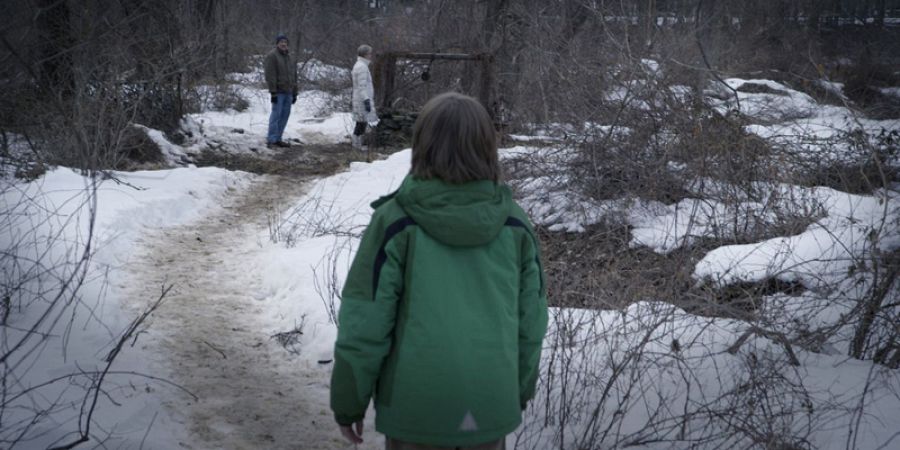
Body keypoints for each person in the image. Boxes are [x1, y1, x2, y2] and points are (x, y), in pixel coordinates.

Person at [330, 92, 549, 449]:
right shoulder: (515, 225)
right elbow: (531, 323)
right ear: (487, 146)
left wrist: (348, 401)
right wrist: (517, 390)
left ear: (423, 144)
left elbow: (365, 322)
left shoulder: (395, 222)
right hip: (488, 404)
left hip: (415, 410)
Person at [264, 34, 298, 148]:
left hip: (288, 91)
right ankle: (271, 139)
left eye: (285, 42)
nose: (284, 44)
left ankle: (278, 138)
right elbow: (270, 75)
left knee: (284, 116)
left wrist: (295, 92)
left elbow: (294, 76)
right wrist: (273, 92)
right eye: (281, 42)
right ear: (277, 44)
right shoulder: (272, 56)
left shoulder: (289, 57)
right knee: (276, 116)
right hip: (278, 92)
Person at [351, 44, 378, 149]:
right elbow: (361, 86)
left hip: (360, 98)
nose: (371, 55)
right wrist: (366, 100)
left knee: (361, 122)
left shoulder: (360, 65)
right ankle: (356, 145)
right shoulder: (361, 67)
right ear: (365, 54)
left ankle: (358, 144)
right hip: (362, 99)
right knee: (361, 123)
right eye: (370, 53)